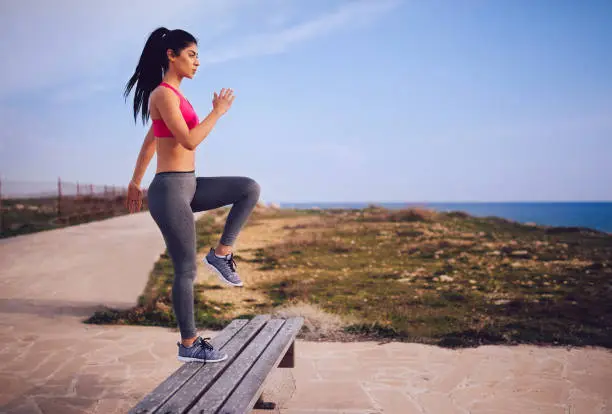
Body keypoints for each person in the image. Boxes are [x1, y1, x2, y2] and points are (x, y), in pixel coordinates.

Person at [123, 27, 261, 363]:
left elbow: (150, 142)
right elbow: (188, 140)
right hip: (170, 189)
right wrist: (217, 112)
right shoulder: (163, 95)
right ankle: (188, 344)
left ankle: (221, 253)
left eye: (198, 55)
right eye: (192, 54)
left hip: (189, 184)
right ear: (171, 55)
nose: (198, 62)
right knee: (184, 270)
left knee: (248, 187)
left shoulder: (178, 97)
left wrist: (134, 182)